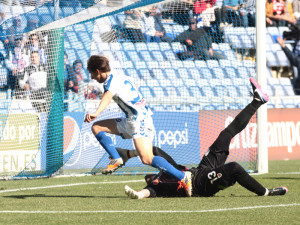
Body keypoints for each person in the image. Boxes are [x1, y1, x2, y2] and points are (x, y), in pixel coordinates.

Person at [122, 78, 288, 199]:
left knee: (225, 135)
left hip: (201, 170)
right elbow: (148, 192)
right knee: (234, 168)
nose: (148, 178)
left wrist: (130, 153)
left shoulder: (167, 169)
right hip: (199, 186)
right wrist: (138, 194)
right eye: (147, 180)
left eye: (148, 177)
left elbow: (155, 150)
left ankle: (257, 101)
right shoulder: (157, 185)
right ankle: (266, 192)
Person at [84, 55, 192, 196]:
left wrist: (96, 112)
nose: (92, 77)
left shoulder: (110, 82)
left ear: (98, 71)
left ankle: (183, 176)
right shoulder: (121, 76)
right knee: (96, 127)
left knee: (147, 158)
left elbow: (107, 96)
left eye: (92, 74)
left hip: (139, 121)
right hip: (132, 119)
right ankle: (117, 157)